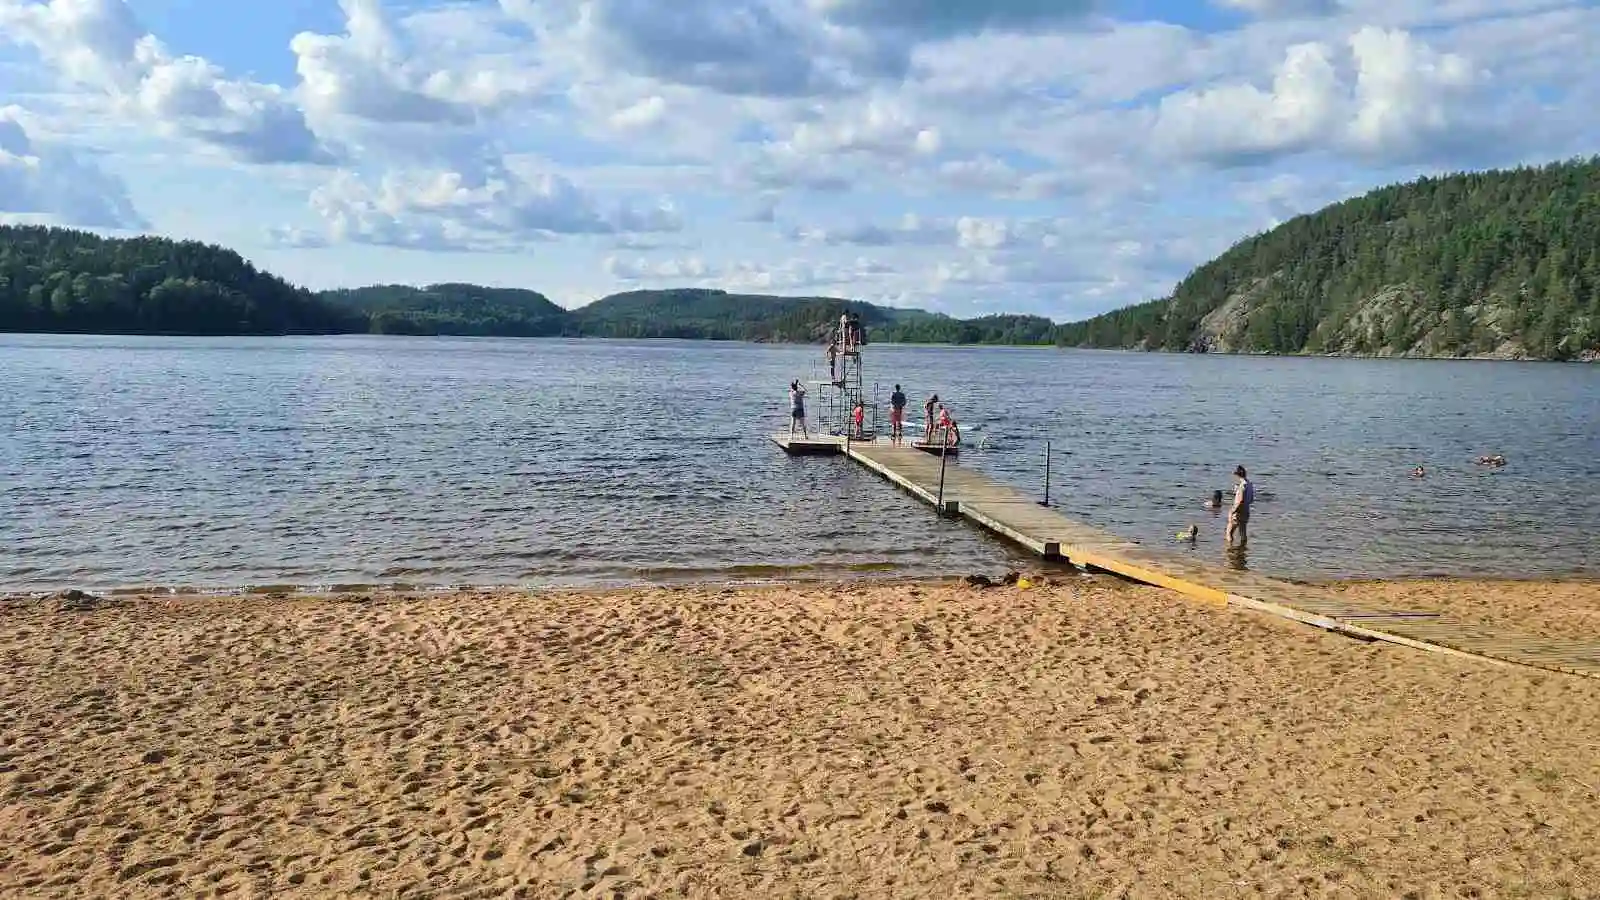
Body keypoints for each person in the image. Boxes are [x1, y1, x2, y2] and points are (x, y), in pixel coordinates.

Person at [1226, 465, 1253, 549]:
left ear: (1237, 475)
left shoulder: (1242, 486)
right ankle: (1243, 551)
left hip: (1238, 512)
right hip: (1246, 511)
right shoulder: (1249, 484)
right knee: (1243, 533)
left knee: (1229, 532)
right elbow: (1251, 499)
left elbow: (1240, 500)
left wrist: (1233, 510)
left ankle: (1229, 550)